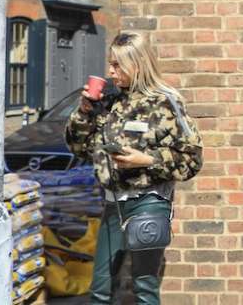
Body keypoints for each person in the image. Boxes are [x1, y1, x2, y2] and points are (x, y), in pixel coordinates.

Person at [65, 32, 204, 305]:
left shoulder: (166, 103)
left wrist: (148, 160)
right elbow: (78, 148)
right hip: (112, 204)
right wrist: (84, 112)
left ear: (137, 65)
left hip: (148, 202)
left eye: (117, 65)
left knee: (144, 288)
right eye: (110, 64)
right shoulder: (111, 102)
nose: (110, 71)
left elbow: (192, 159)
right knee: (100, 289)